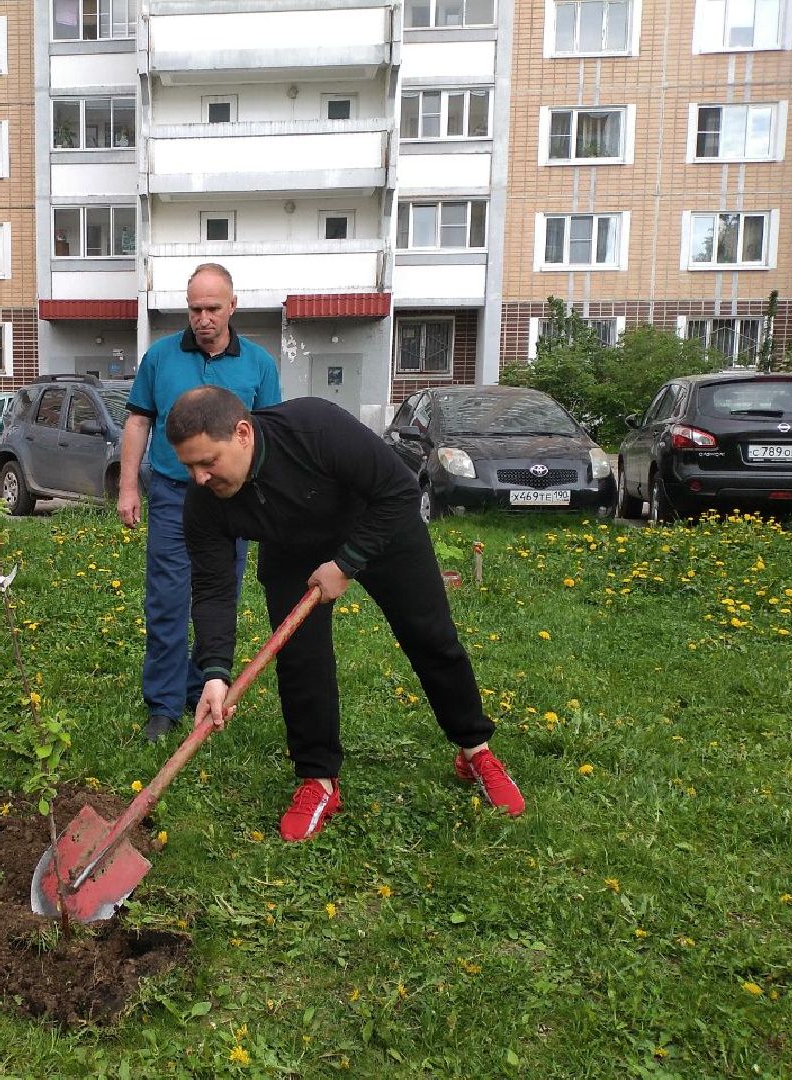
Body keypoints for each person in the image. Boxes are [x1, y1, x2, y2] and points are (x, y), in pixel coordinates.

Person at [167, 385, 526, 842]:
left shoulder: (315, 427)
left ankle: (474, 749)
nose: (198, 477)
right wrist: (214, 672)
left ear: (242, 433)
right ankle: (318, 781)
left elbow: (398, 491)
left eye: (207, 462)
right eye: (189, 466)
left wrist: (346, 563)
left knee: (431, 638)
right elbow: (214, 586)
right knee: (301, 661)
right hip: (292, 549)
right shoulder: (204, 500)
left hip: (380, 527)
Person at [118, 263, 281, 742]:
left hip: (230, 498)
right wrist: (129, 488)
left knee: (218, 594)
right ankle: (164, 706)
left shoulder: (259, 364)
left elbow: (270, 435)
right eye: (195, 309)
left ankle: (202, 685)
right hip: (172, 495)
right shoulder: (160, 358)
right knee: (167, 599)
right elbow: (137, 423)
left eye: (213, 308)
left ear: (232, 306)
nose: (203, 318)